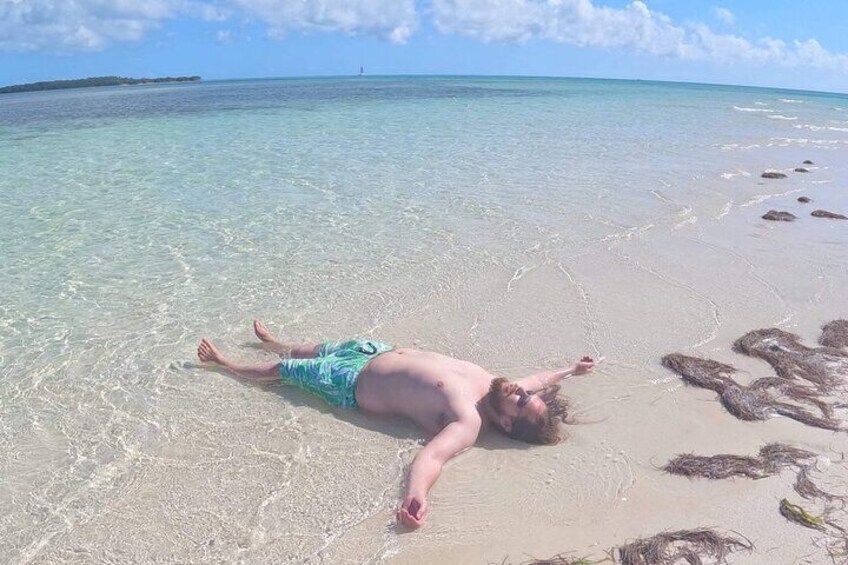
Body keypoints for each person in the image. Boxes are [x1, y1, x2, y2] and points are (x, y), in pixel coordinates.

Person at [197, 320, 595, 529]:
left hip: (353, 382)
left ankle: (225, 365)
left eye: (523, 401)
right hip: (373, 350)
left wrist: (416, 495)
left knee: (285, 370)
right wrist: (571, 370)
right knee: (309, 349)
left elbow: (432, 457)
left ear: (507, 425)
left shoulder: (468, 422)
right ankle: (274, 340)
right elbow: (540, 379)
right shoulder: (499, 389)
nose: (522, 391)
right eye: (525, 394)